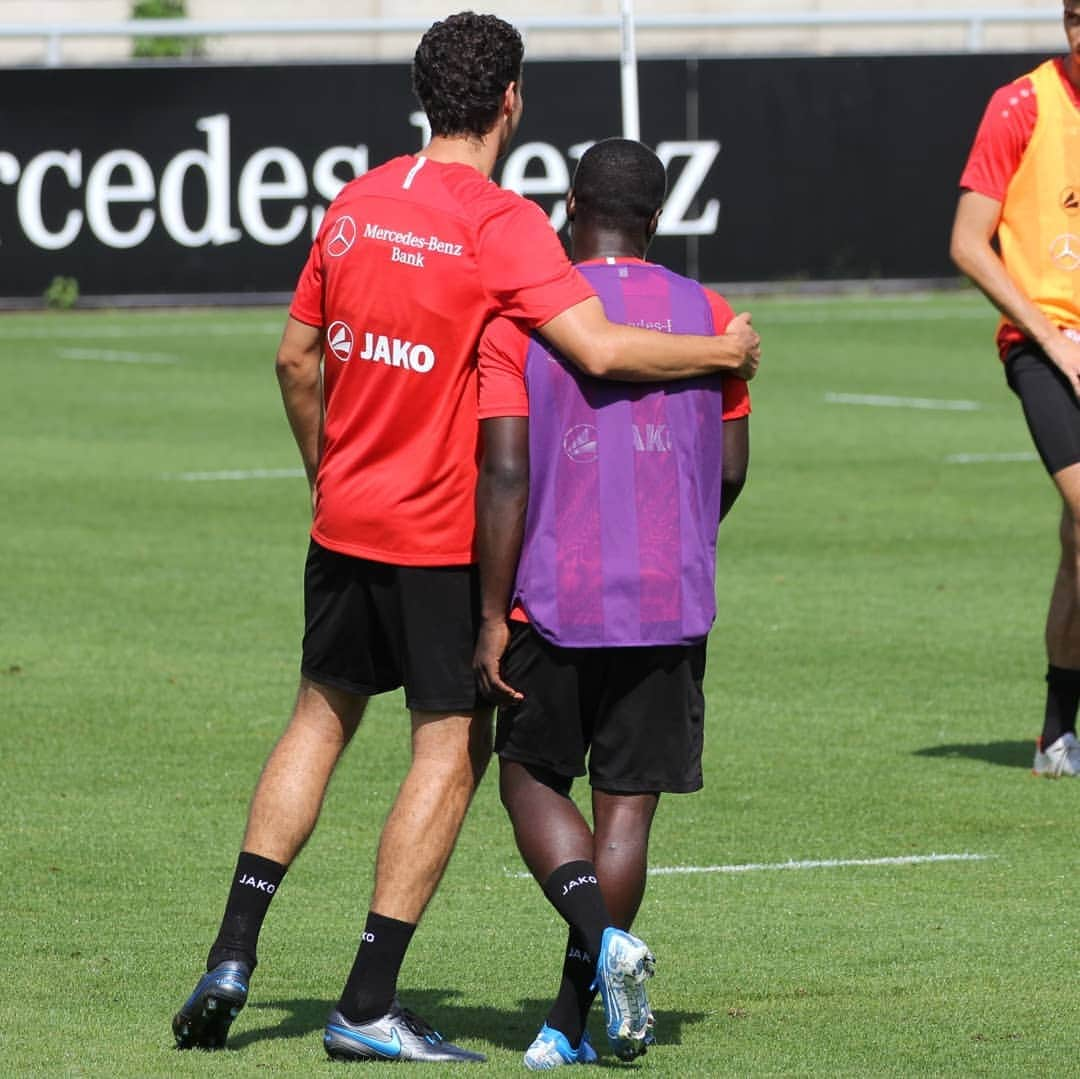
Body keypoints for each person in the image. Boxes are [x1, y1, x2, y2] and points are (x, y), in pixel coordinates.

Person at [171, 12, 762, 1066]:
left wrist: (329, 471)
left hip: (343, 519)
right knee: (449, 750)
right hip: (437, 539)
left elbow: (296, 360)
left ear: (420, 95)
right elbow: (601, 345)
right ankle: (365, 997)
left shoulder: (356, 201)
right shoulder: (503, 225)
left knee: (317, 719)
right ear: (511, 102)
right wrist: (720, 347)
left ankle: (232, 953)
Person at [473, 137, 751, 1069]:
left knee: (529, 779)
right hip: (669, 599)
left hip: (557, 594)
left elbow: (505, 474)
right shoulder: (710, 314)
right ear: (657, 221)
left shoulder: (528, 315)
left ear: (567, 208)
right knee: (624, 813)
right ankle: (566, 1024)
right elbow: (732, 468)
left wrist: (486, 614)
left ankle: (601, 950)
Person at [951, 1, 1080, 779]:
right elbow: (968, 242)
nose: (1079, 30)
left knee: (1078, 541)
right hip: (1041, 345)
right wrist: (1051, 335)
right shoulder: (1022, 104)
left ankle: (1055, 731)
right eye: (1071, 14)